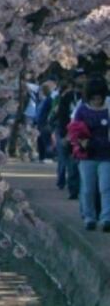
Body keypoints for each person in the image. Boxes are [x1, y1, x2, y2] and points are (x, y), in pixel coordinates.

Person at [70, 77, 110, 231]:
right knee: (88, 188)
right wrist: (80, 140)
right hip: (88, 155)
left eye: (99, 98)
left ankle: (106, 218)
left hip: (107, 154)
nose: (96, 101)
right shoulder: (82, 109)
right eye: (93, 99)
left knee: (106, 188)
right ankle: (89, 217)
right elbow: (74, 129)